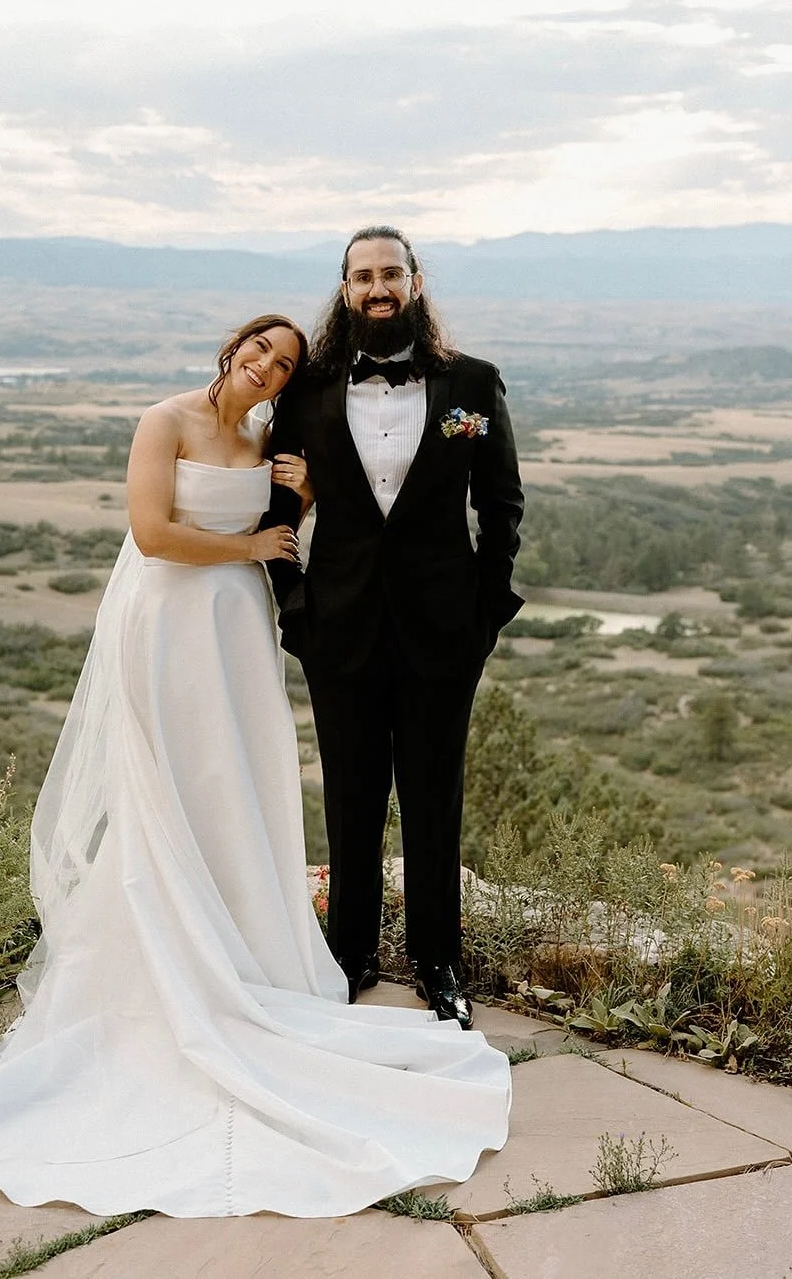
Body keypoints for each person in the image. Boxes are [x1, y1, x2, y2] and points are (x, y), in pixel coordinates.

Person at [0, 314, 510, 1219]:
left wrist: (304, 499)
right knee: (168, 791)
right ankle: (173, 964)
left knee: (230, 788)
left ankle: (248, 945)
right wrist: (249, 546)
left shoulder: (264, 436)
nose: (267, 368)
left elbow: (286, 526)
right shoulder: (164, 420)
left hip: (236, 629)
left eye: (283, 364)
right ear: (231, 348)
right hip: (168, 626)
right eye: (258, 352)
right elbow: (154, 533)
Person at [263, 228, 525, 1028]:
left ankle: (436, 960)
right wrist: (294, 600)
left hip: (444, 630)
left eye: (389, 274)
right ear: (344, 291)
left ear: (414, 282)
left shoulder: (470, 385)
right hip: (336, 629)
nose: (376, 288)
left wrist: (484, 609)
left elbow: (501, 505)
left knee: (431, 796)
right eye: (361, 276)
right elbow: (277, 507)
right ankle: (348, 957)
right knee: (348, 795)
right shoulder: (304, 391)